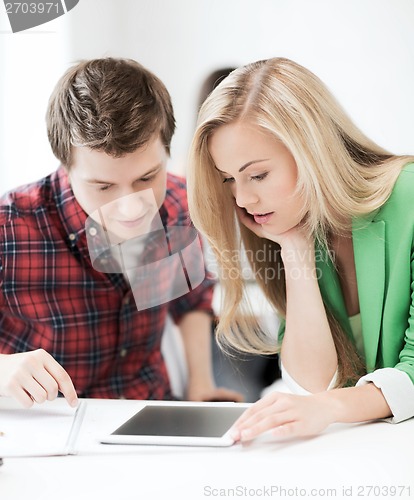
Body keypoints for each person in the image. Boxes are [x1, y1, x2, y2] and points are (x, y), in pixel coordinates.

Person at [187, 57, 414, 441]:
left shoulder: (408, 197)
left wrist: (329, 408)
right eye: (229, 179)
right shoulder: (290, 224)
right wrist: (293, 249)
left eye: (258, 174)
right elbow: (313, 385)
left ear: (313, 150)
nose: (242, 198)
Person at [0, 57, 242, 408]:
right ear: (66, 166)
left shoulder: (175, 202)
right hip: (48, 426)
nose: (132, 207)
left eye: (146, 178)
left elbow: (190, 299)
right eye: (103, 186)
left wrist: (200, 386)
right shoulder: (10, 228)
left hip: (150, 412)